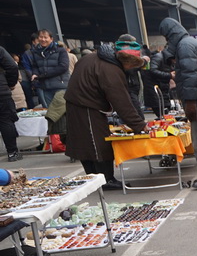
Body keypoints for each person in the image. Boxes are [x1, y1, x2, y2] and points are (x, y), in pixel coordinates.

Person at [63, 38, 148, 190]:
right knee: (99, 143)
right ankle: (105, 179)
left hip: (77, 102)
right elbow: (122, 102)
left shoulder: (95, 57)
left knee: (85, 144)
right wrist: (139, 125)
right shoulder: (111, 69)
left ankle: (92, 178)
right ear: (127, 61)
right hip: (86, 105)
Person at [159, 17, 197, 189]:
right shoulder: (190, 43)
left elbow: (191, 76)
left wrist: (190, 102)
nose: (167, 41)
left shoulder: (184, 46)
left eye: (167, 38)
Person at [28, 29, 70, 108]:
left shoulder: (60, 50)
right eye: (41, 37)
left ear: (51, 39)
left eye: (45, 37)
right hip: (45, 87)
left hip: (60, 86)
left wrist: (43, 75)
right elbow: (35, 66)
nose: (43, 39)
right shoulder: (36, 52)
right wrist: (35, 73)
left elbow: (63, 67)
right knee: (50, 112)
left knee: (63, 110)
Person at [0, 46, 21, 161]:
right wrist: (10, 83)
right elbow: (12, 66)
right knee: (6, 120)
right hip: (2, 91)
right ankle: (12, 152)